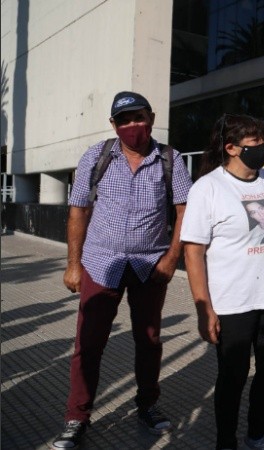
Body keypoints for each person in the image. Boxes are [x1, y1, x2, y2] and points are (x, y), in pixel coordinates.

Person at [53, 91, 193, 449]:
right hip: (101, 263)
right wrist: (73, 265)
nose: (134, 126)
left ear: (151, 116)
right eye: (125, 120)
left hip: (150, 265)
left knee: (148, 341)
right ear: (114, 125)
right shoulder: (96, 157)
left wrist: (170, 259)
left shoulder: (170, 159)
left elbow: (184, 211)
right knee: (88, 343)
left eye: (140, 117)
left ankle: (147, 405)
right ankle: (77, 417)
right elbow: (78, 210)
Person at [180, 114, 264, 450]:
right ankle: (226, 441)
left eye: (263, 141)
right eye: (254, 143)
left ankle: (257, 434)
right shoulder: (207, 188)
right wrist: (203, 307)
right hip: (233, 299)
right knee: (233, 376)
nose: (262, 148)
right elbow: (193, 253)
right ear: (231, 147)